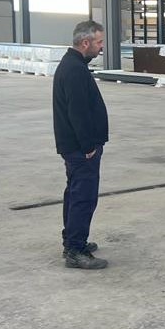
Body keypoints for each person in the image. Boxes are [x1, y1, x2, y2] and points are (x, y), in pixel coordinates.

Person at [52, 20, 109, 269]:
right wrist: (88, 146)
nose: (101, 46)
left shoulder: (73, 64)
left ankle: (72, 240)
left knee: (75, 193)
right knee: (83, 197)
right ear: (85, 42)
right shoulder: (74, 70)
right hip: (80, 148)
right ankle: (75, 249)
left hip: (74, 145)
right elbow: (78, 112)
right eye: (98, 42)